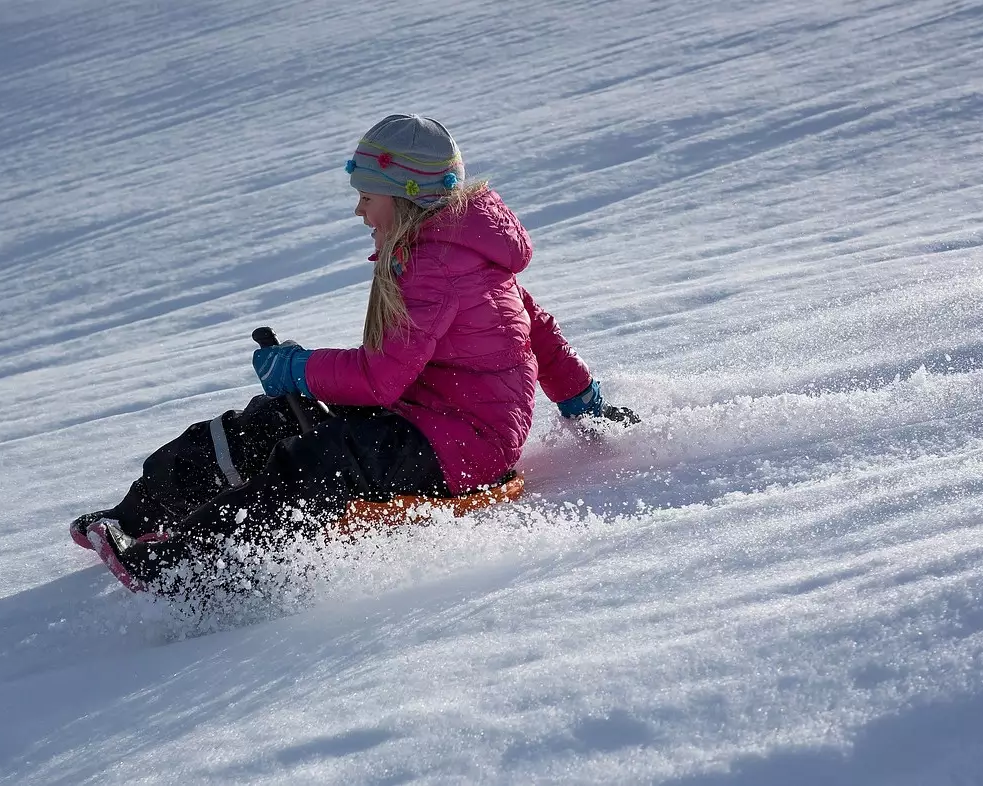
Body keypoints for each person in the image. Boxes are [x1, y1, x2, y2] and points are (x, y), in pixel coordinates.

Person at [73, 113, 637, 597]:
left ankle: (195, 572)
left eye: (368, 197)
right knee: (270, 423)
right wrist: (582, 401)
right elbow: (539, 331)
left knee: (322, 458)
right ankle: (137, 519)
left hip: (462, 444)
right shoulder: (457, 252)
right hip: (425, 418)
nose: (361, 211)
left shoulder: (435, 266)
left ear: (407, 198)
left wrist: (298, 368)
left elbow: (380, 380)